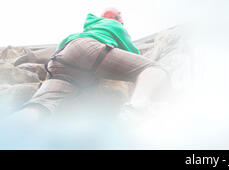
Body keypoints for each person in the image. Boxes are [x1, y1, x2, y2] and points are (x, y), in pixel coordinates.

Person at [10, 8, 169, 124]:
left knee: (41, 105)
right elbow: (133, 54)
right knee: (154, 70)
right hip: (89, 52)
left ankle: (11, 129)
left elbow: (56, 50)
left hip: (60, 60)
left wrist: (31, 57)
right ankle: (137, 108)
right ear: (118, 19)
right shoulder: (114, 25)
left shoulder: (85, 30)